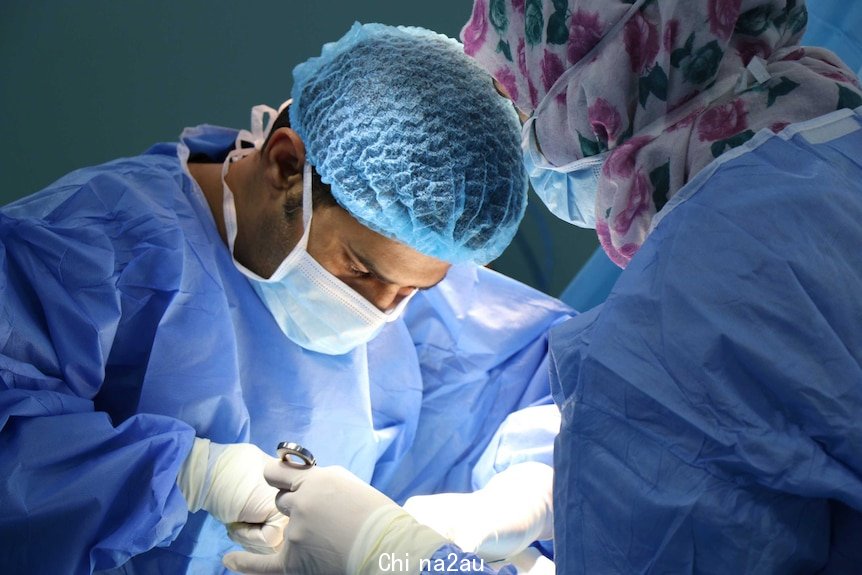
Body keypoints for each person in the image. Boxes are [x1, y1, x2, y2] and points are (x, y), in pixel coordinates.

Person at [227, 1, 862, 574]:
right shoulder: (837, 160)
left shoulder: (694, 297)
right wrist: (544, 485)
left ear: (593, 102)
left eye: (523, 113)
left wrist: (403, 558)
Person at [0, 23, 575, 574]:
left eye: (414, 290)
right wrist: (193, 475)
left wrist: (517, 498)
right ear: (285, 165)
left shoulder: (414, 272)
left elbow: (574, 395)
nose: (383, 309)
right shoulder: (85, 248)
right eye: (359, 271)